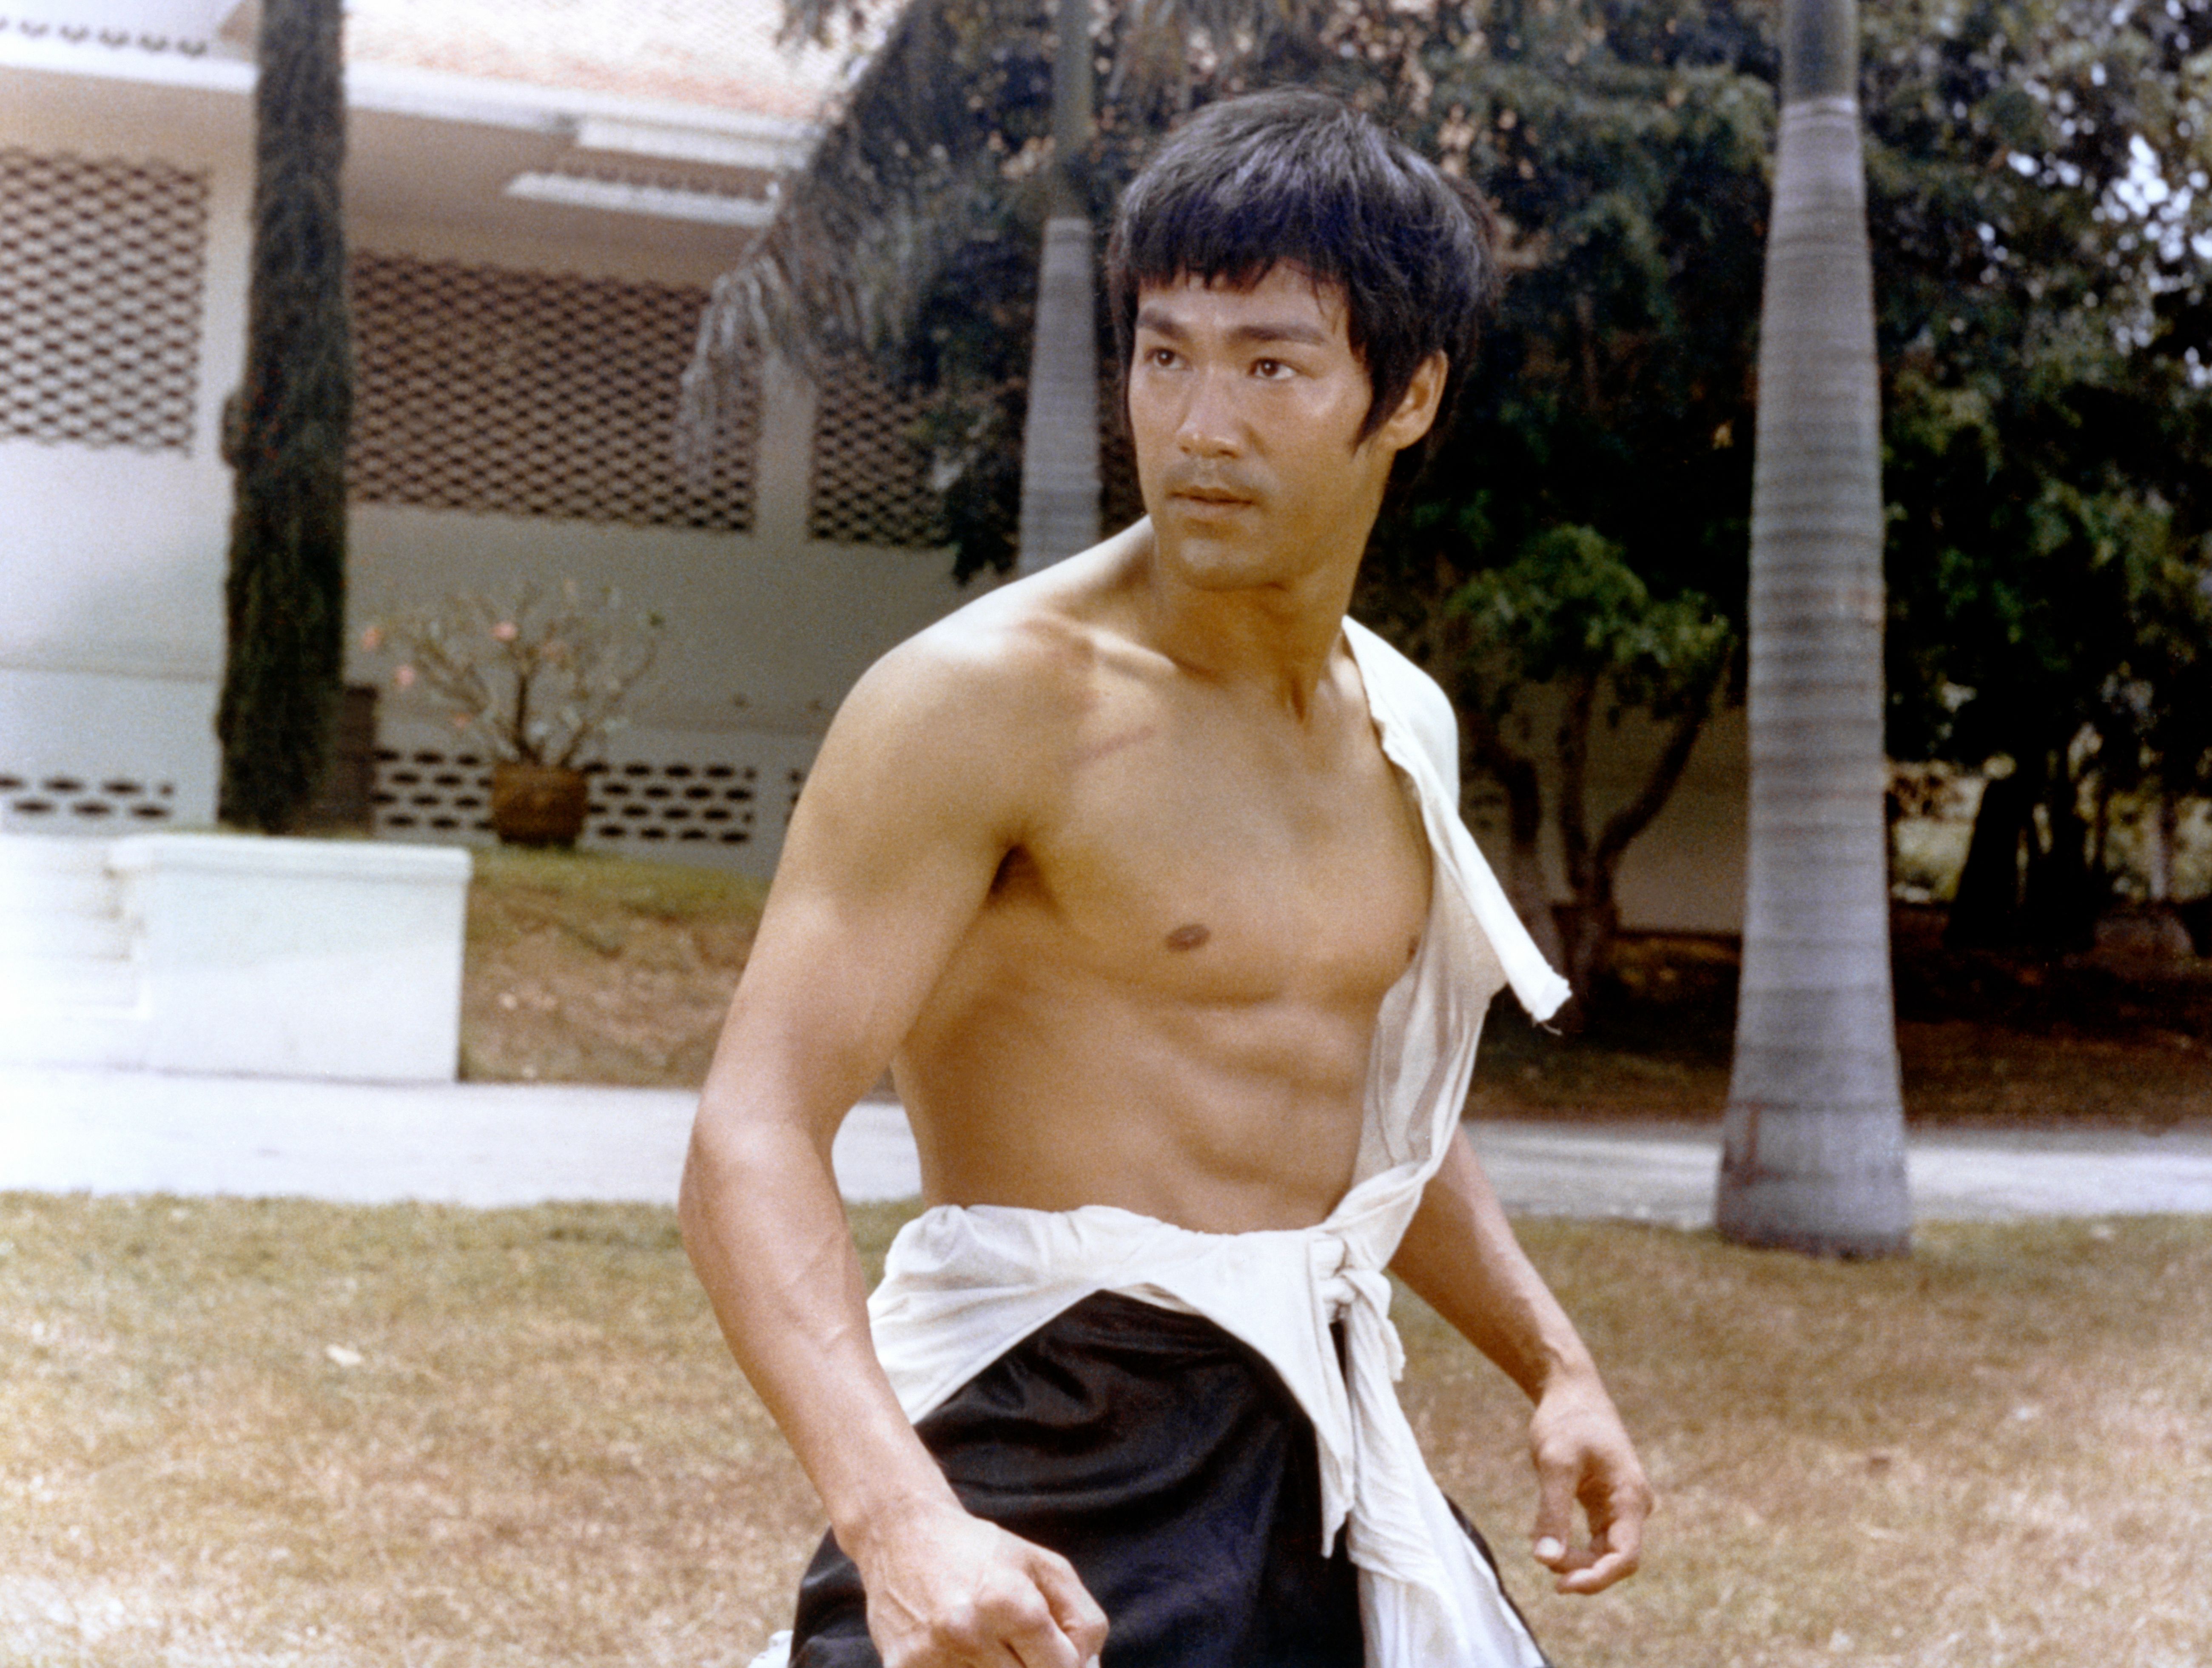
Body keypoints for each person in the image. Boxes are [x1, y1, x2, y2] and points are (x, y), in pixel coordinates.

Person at [680, 88, 1652, 1668]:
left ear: (1406, 395)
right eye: (1165, 353)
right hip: (1043, 1422)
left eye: (1271, 363)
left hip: (1312, 1431)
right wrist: (901, 1519)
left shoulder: (1399, 718)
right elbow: (749, 1129)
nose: (1199, 424)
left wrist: (1554, 1367)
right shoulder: (984, 702)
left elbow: (1365, 1100)